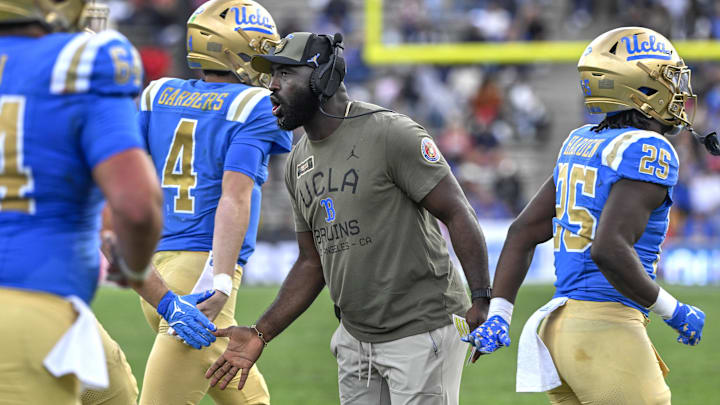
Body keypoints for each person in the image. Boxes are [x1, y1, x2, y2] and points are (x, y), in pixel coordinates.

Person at [206, 31, 492, 405]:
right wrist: (261, 333)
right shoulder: (296, 161)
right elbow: (312, 263)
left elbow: (457, 212)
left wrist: (483, 299)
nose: (272, 86)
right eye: (271, 75)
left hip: (422, 332)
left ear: (324, 77)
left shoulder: (390, 132)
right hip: (355, 340)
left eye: (286, 74)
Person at [464, 26, 706, 404]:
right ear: (638, 87)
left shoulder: (581, 140)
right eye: (667, 78)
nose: (677, 91)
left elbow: (522, 232)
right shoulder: (649, 148)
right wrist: (673, 310)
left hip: (558, 332)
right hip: (605, 330)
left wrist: (501, 313)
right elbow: (608, 249)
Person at [0, 0, 213, 403]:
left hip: (49, 304)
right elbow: (134, 208)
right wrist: (136, 272)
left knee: (114, 389)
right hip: (31, 299)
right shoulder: (79, 63)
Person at [131, 1, 292, 404]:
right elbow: (233, 198)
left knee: (248, 398)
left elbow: (128, 181)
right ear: (238, 48)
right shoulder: (253, 106)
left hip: (153, 270)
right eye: (260, 48)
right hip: (202, 275)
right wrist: (219, 281)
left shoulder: (158, 93)